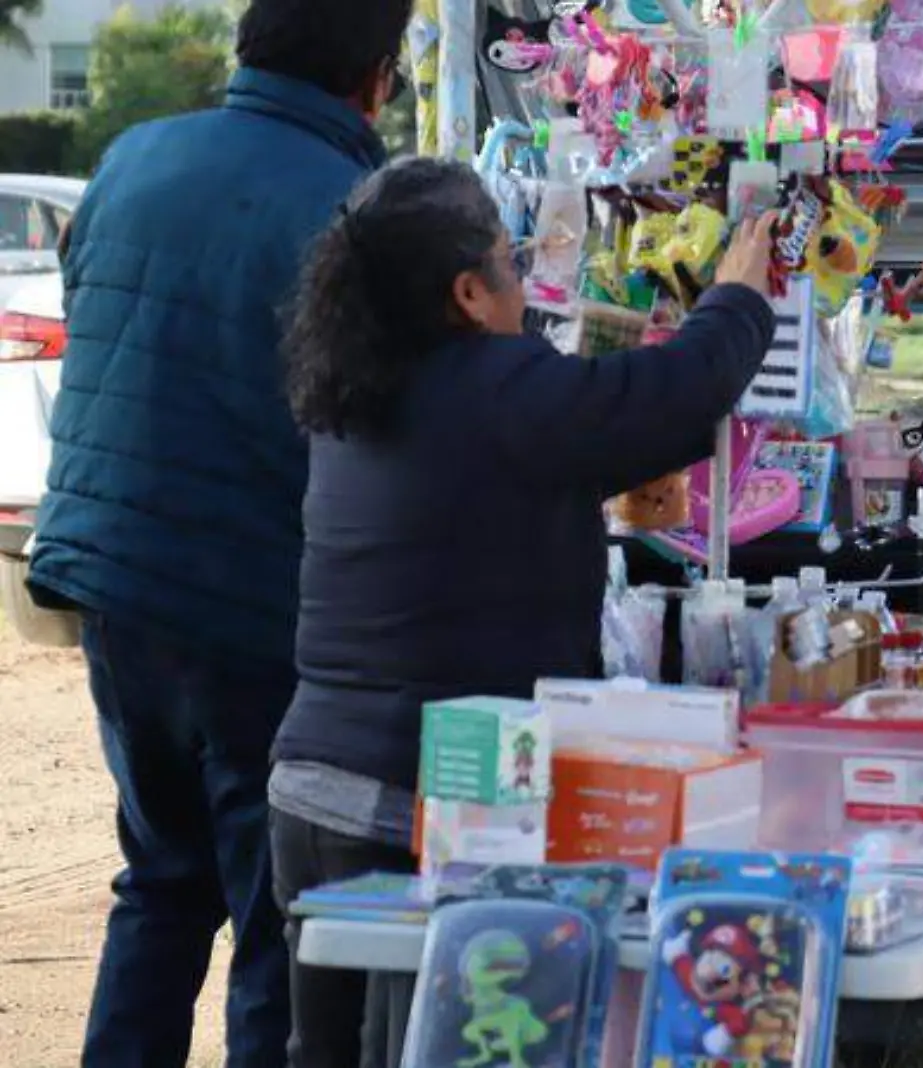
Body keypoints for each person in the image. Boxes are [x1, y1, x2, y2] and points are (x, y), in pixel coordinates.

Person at [268, 156, 779, 1067]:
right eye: (513, 257)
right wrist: (739, 298)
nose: (524, 276)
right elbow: (669, 400)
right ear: (469, 291)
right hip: (408, 813)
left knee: (320, 1053)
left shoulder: (355, 393)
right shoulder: (495, 389)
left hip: (313, 795)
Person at [26, 1, 410, 1064]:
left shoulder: (133, 156)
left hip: (113, 581)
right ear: (377, 77)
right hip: (252, 594)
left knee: (160, 876)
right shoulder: (357, 211)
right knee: (271, 905)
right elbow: (386, 421)